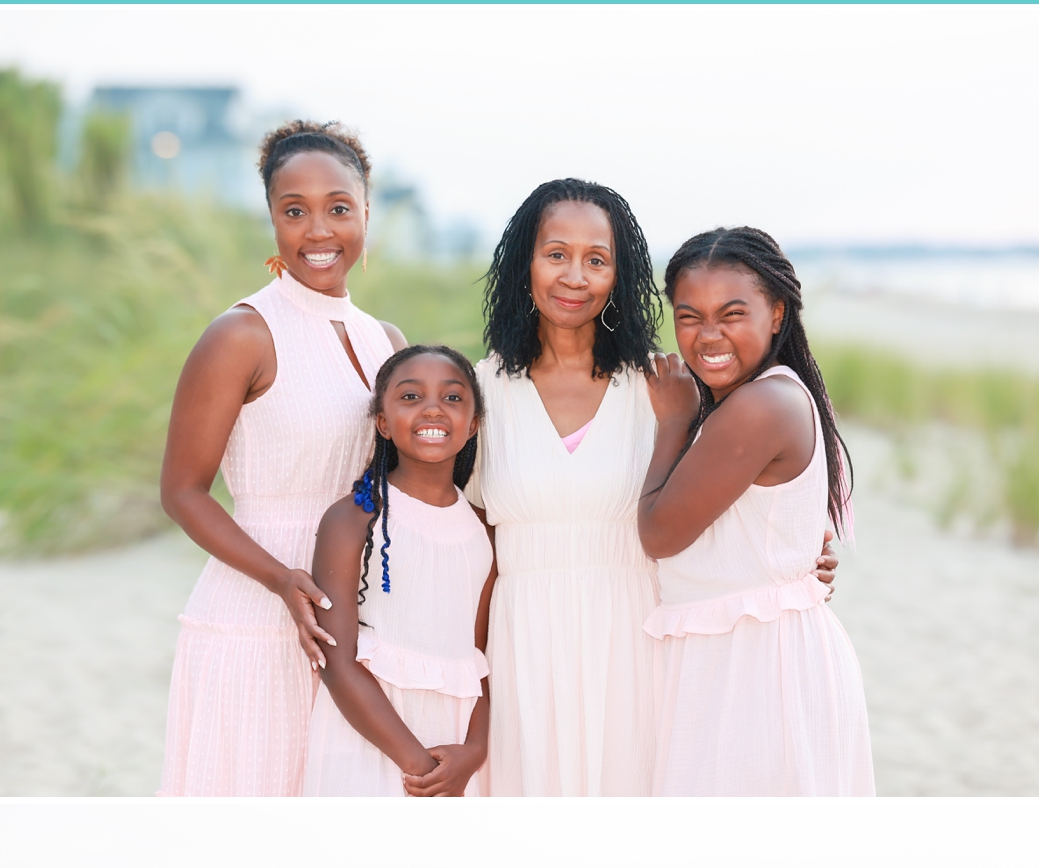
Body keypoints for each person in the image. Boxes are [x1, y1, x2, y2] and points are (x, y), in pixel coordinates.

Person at [471, 184, 836, 797]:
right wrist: (473, 675)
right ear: (523, 264)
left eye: (597, 259)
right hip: (522, 648)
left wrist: (806, 554)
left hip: (641, 645)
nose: (575, 276)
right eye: (555, 253)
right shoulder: (482, 390)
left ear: (620, 274)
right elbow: (469, 536)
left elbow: (739, 494)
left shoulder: (669, 384)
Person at [158, 120, 406, 796]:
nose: (318, 230)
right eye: (294, 211)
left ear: (365, 213)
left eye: (338, 208)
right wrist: (279, 579)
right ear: (272, 218)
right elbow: (182, 491)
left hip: (353, 612)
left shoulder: (386, 340)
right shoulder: (241, 334)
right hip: (258, 607)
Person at [638, 227, 874, 796]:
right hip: (756, 648)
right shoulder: (758, 395)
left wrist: (672, 421)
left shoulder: (760, 404)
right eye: (689, 316)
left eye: (732, 313)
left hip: (757, 665)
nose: (708, 335)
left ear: (776, 313)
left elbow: (659, 533)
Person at [302, 346, 495, 797]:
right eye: (410, 397)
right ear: (383, 422)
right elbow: (336, 659)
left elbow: (480, 659)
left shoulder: (484, 529)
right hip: (369, 740)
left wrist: (476, 750)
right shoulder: (351, 519)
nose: (432, 408)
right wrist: (416, 762)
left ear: (474, 424)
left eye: (452, 398)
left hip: (454, 746)